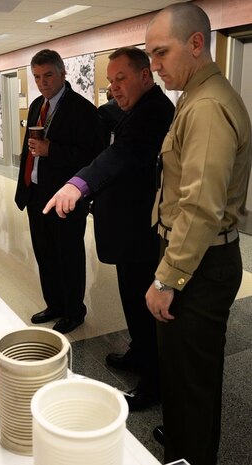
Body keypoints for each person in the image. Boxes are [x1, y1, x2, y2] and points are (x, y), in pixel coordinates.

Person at [144, 4, 251, 465]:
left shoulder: (206, 105)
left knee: (190, 383)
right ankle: (190, 444)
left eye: (161, 53)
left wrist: (168, 279)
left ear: (195, 44)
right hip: (197, 258)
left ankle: (189, 454)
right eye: (150, 55)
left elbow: (202, 206)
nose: (155, 66)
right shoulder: (195, 94)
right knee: (191, 378)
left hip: (198, 265)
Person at [43, 47, 174, 409]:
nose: (114, 87)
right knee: (131, 300)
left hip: (141, 232)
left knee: (145, 309)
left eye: (122, 78)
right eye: (110, 81)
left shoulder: (154, 112)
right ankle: (138, 352)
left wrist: (78, 184)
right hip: (126, 231)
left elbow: (122, 155)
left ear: (145, 75)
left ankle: (153, 381)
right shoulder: (132, 111)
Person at [15, 49, 103, 334]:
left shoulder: (83, 109)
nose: (42, 82)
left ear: (63, 73)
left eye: (48, 75)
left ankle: (74, 310)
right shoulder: (36, 106)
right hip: (37, 193)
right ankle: (54, 304)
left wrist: (51, 149)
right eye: (37, 77)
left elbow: (92, 156)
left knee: (68, 254)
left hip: (66, 197)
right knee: (45, 253)